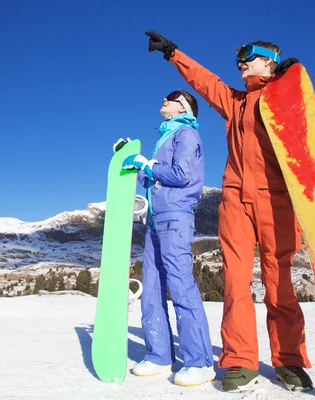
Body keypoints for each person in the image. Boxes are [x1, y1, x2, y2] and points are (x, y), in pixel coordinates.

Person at [144, 30, 315, 392]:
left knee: (280, 286)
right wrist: (173, 53)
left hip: (278, 201)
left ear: (270, 61)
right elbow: (205, 81)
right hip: (236, 201)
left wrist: (296, 83)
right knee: (235, 284)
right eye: (238, 59)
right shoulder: (236, 102)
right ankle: (239, 358)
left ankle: (289, 360)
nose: (240, 63)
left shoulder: (286, 97)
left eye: (248, 56)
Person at [118, 89, 214, 386]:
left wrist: (148, 165)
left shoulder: (186, 134)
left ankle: (200, 361)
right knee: (152, 289)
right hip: (156, 220)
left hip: (176, 216)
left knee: (180, 285)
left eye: (172, 96)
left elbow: (182, 174)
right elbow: (155, 179)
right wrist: (135, 163)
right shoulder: (165, 138)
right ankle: (159, 355)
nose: (164, 99)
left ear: (184, 107)